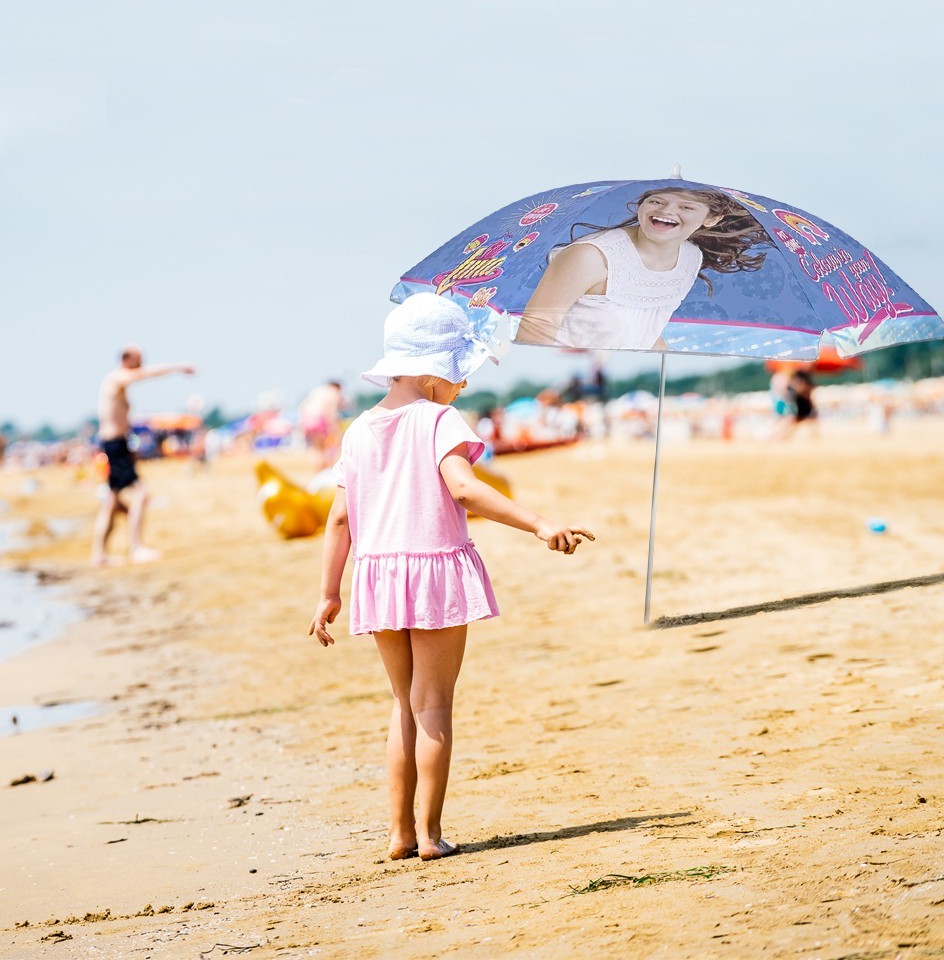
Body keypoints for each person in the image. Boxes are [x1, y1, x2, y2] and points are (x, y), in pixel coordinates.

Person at [308, 294, 594, 862]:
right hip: (433, 569)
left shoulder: (359, 429)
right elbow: (463, 488)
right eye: (459, 373)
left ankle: (399, 833)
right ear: (432, 373)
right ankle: (430, 835)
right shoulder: (438, 418)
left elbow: (340, 518)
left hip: (379, 575)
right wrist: (539, 523)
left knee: (402, 704)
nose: (463, 384)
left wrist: (327, 593)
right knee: (433, 703)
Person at [515, 186, 772, 351]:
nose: (667, 211)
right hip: (576, 380)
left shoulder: (690, 258)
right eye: (656, 201)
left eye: (686, 207)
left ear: (712, 218)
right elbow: (536, 327)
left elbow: (646, 332)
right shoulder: (590, 256)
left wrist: (665, 371)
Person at [91, 345, 196, 566]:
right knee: (141, 493)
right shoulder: (117, 377)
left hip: (116, 444)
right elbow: (146, 374)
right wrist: (178, 367)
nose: (142, 364)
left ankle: (99, 554)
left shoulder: (118, 381)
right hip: (114, 445)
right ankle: (136, 547)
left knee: (112, 502)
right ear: (128, 359)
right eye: (139, 360)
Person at [299, 379, 348, 468]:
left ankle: (318, 471)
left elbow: (303, 406)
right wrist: (334, 426)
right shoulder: (333, 393)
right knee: (326, 448)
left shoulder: (318, 391)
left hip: (308, 420)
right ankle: (325, 470)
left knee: (317, 449)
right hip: (319, 420)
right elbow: (331, 412)